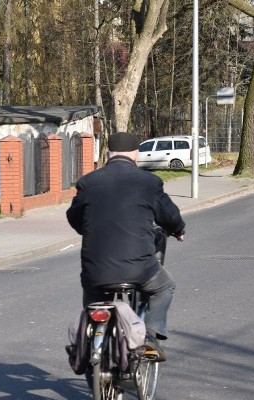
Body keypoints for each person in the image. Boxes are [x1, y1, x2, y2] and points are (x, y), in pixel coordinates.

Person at [66, 132, 185, 360]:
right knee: (165, 286)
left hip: (96, 270)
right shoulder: (149, 182)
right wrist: (178, 229)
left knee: (94, 304)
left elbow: (74, 217)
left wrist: (88, 229)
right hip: (138, 269)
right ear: (136, 154)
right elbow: (169, 215)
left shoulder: (88, 182)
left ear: (108, 154)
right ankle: (149, 336)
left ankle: (88, 343)